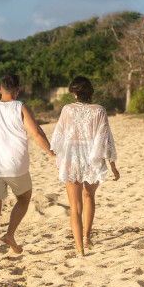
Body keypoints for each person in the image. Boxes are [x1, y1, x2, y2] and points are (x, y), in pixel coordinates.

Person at [0, 74, 54, 265]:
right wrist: (52, 154)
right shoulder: (21, 107)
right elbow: (36, 133)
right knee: (24, 198)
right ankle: (10, 234)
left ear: (0, 89)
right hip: (15, 165)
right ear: (17, 91)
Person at [50, 76, 119, 256]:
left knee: (75, 206)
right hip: (92, 159)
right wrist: (113, 165)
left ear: (74, 94)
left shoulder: (67, 109)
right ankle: (87, 237)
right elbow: (106, 139)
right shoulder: (100, 110)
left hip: (72, 159)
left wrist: (59, 161)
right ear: (91, 92)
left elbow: (59, 137)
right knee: (89, 197)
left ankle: (80, 250)